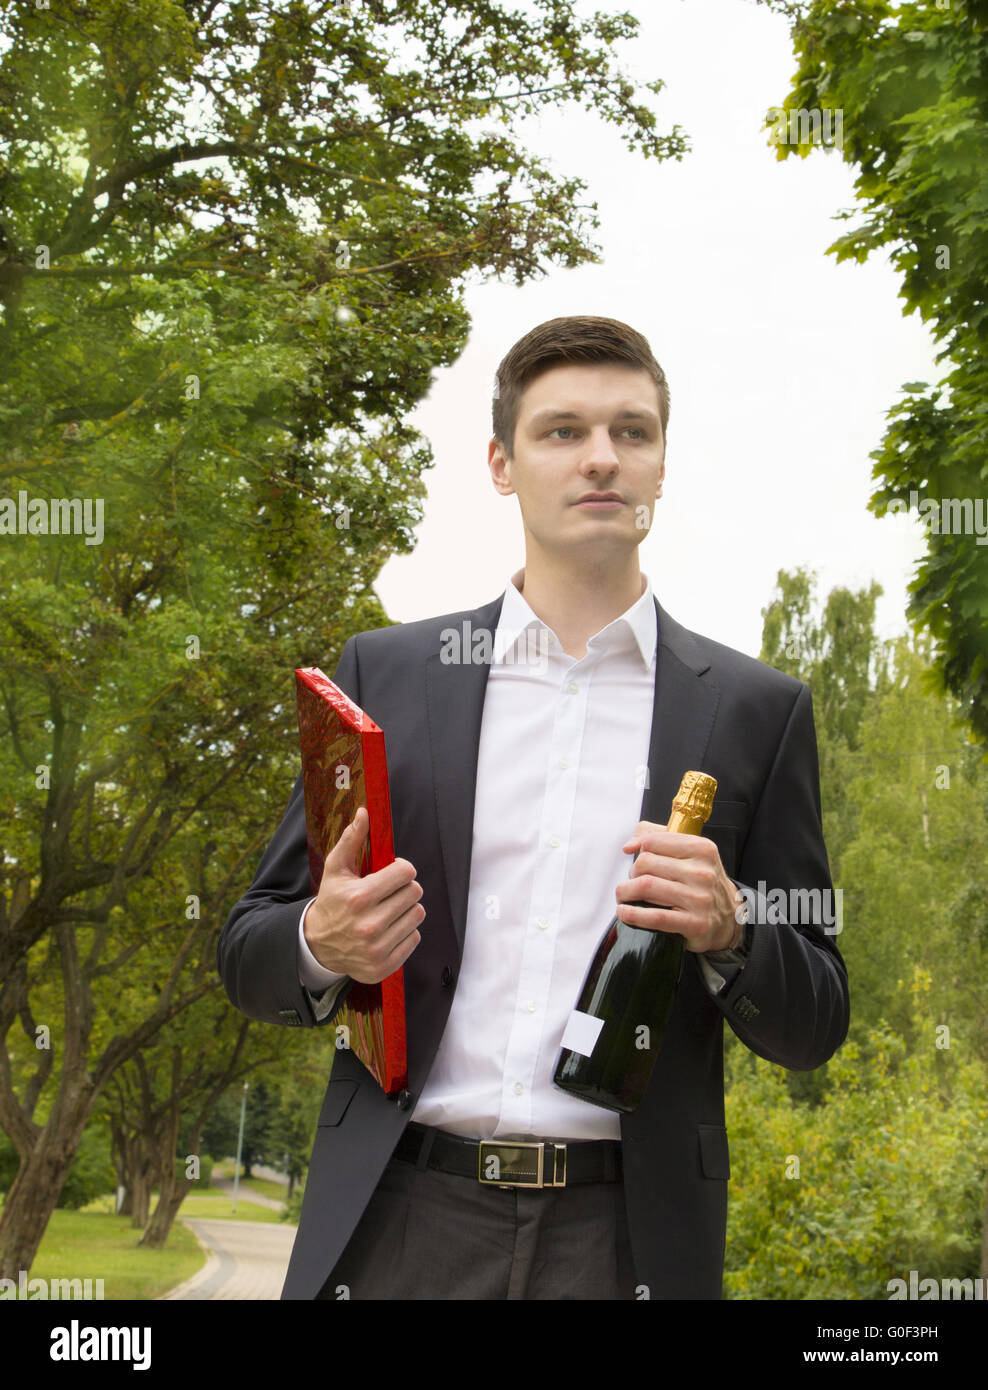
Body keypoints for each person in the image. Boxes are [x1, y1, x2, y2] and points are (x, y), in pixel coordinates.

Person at [217, 315, 849, 1300]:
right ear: (501, 464)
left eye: (631, 432)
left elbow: (815, 1018)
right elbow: (248, 950)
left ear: (661, 466)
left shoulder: (756, 710)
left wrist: (733, 932)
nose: (601, 458)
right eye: (562, 431)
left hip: (625, 1242)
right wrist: (318, 939)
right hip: (403, 1219)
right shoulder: (385, 675)